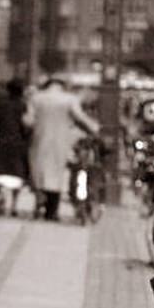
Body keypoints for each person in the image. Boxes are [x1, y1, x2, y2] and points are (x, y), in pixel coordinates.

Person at [27, 76, 99, 221]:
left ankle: (39, 203)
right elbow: (80, 118)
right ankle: (52, 211)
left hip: (39, 140)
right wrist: (94, 128)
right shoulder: (69, 99)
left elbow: (28, 120)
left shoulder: (36, 98)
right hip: (61, 142)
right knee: (56, 174)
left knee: (40, 173)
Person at [0, 79, 32, 216]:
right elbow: (27, 126)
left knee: (0, 171)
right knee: (17, 174)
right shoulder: (23, 106)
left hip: (3, 142)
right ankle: (14, 205)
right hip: (18, 144)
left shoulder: (0, 105)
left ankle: (1, 195)